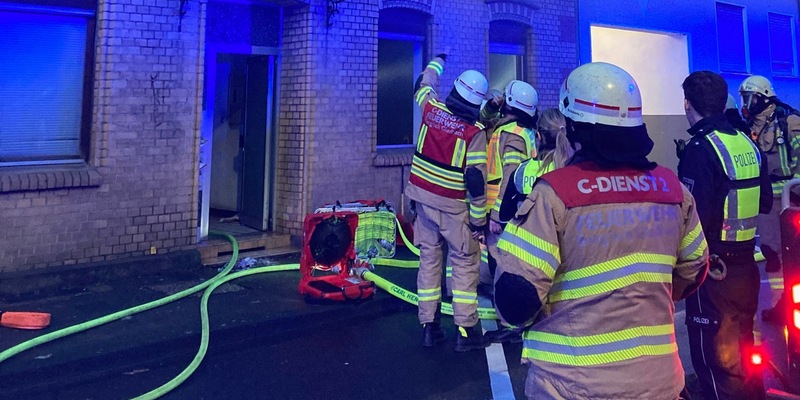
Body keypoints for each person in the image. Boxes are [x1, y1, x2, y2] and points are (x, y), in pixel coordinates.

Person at [492, 62, 709, 400]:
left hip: (572, 386)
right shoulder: (673, 190)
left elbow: (515, 301)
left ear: (574, 129)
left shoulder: (555, 195)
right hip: (661, 382)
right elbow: (695, 268)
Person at [679, 71, 772, 400]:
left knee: (716, 365)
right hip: (747, 266)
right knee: (745, 353)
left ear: (688, 104)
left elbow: (692, 219)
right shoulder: (746, 141)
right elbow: (764, 202)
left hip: (713, 271)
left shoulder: (700, 149)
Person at [405, 52, 489, 352]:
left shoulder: (431, 110)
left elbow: (422, 84)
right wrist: (479, 222)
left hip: (422, 202)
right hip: (453, 209)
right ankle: (466, 333)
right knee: (465, 262)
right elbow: (476, 182)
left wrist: (436, 62)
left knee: (429, 259)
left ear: (455, 89)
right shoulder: (475, 133)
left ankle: (429, 327)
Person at [483, 108, 573, 344]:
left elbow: (505, 214)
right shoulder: (575, 172)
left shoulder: (525, 171)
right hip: (568, 252)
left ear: (539, 137)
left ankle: (518, 328)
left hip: (534, 257)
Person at [738, 75, 800, 323]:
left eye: (749, 98)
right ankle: (781, 303)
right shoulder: (751, 126)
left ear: (763, 97)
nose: (747, 103)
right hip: (766, 201)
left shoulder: (789, 122)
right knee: (772, 253)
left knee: (793, 254)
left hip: (790, 199)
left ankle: (790, 303)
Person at [476, 80, 538, 296]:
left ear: (510, 102)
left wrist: (497, 214)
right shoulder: (521, 130)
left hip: (502, 208)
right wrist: (492, 105)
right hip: (515, 205)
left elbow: (511, 174)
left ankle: (503, 309)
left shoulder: (510, 135)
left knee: (499, 258)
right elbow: (483, 118)